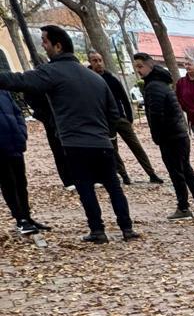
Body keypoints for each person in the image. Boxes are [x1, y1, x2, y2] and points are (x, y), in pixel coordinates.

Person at [0, 25, 137, 243]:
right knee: (113, 186)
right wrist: (106, 134)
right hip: (102, 142)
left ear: (58, 45)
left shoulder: (53, 72)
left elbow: (20, 81)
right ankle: (126, 228)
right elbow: (113, 112)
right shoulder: (95, 78)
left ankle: (97, 230)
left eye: (45, 41)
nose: (42, 46)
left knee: (85, 187)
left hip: (75, 142)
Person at [131, 53, 194, 220]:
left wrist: (157, 135)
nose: (138, 70)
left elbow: (156, 114)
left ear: (149, 66)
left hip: (171, 135)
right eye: (136, 67)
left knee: (177, 172)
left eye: (140, 66)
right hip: (178, 133)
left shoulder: (153, 87)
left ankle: (184, 207)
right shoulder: (161, 84)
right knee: (186, 170)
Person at [86, 48, 162, 186]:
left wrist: (129, 117)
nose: (98, 63)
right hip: (104, 122)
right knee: (112, 150)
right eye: (95, 61)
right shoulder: (88, 80)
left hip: (120, 118)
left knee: (136, 146)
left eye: (100, 60)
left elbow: (123, 98)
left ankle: (151, 173)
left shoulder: (111, 78)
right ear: (90, 62)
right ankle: (124, 175)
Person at [0, 88, 44, 235]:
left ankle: (26, 216)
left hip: (14, 144)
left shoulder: (3, 92)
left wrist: (21, 133)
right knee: (8, 183)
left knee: (21, 182)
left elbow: (18, 113)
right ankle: (20, 219)